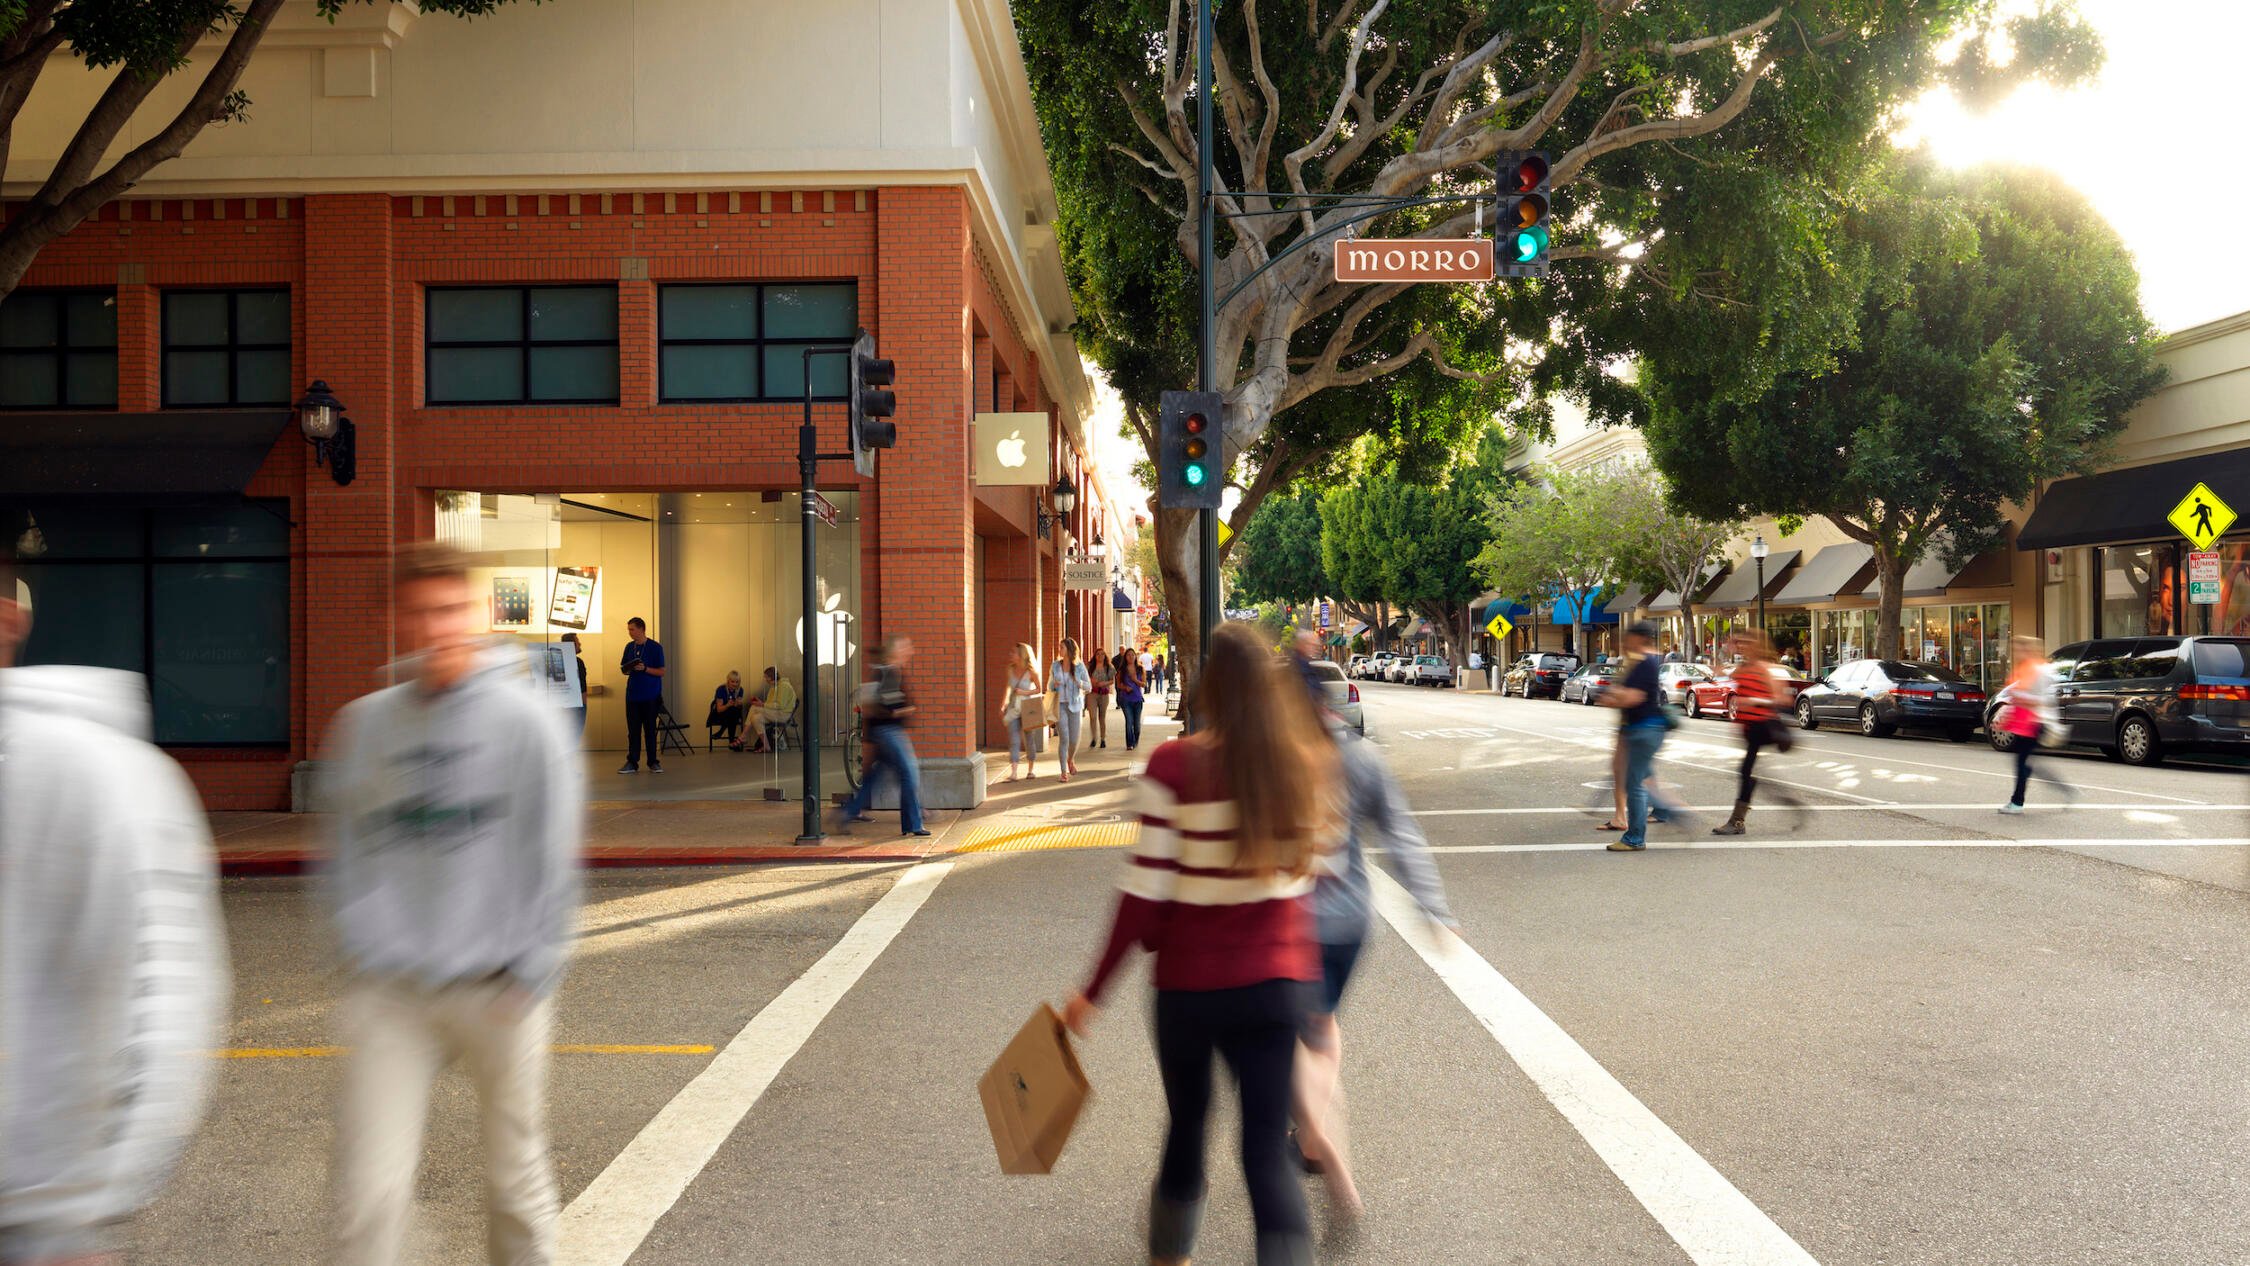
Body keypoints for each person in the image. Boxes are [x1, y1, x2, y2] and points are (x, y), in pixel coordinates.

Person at [325, 544, 584, 1266]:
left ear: (473, 613)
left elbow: (552, 854)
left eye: (449, 610)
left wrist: (533, 968)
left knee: (513, 1180)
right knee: (368, 1194)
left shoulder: (528, 723)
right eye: (419, 614)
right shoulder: (367, 726)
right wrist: (364, 946)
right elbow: (350, 848)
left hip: (500, 988)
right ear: (396, 621)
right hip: (395, 989)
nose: (436, 628)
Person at [1062, 621, 1340, 1266]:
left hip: (1189, 990)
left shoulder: (1174, 764)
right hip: (1277, 987)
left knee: (1188, 1126)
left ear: (1207, 687)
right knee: (1266, 1151)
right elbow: (1312, 882)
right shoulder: (1303, 764)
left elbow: (1143, 895)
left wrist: (1092, 992)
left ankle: (1171, 1257)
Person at [0, 532, 229, 1266]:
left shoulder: (101, 774)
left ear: (8, 620)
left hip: (41, 1211)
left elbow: (168, 990)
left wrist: (97, 1193)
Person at [1294, 717, 1453, 1222]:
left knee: (1290, 1038)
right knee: (1321, 1024)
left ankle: (1320, 1141)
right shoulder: (1360, 755)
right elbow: (1400, 830)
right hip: (1351, 922)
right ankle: (1309, 1130)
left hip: (1293, 921)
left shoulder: (1274, 751)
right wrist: (1433, 909)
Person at [832, 636, 930, 838]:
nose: (909, 651)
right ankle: (913, 824)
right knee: (909, 774)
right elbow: (888, 708)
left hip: (884, 733)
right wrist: (907, 709)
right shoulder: (889, 673)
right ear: (894, 652)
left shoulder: (890, 672)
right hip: (889, 732)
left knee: (873, 778)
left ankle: (847, 812)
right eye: (905, 647)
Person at [1602, 622, 1686, 851]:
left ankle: (1635, 837)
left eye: (1628, 637)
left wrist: (1613, 698)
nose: (1624, 642)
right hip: (1641, 729)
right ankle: (1666, 809)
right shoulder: (1644, 661)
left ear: (1639, 638)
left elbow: (1635, 697)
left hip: (1644, 728)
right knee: (1643, 776)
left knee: (1635, 783)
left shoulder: (1644, 663)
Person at [1711, 631, 1792, 836]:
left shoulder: (1764, 669)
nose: (1743, 646)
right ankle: (1744, 812)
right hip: (1749, 729)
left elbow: (1782, 700)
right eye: (1741, 643)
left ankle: (1737, 821)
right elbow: (1717, 673)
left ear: (1758, 646)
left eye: (1747, 643)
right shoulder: (1743, 668)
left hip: (1762, 726)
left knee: (1746, 770)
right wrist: (1724, 650)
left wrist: (1755, 701)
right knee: (1748, 771)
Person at [1993, 636, 2066, 815]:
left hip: (2037, 722)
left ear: (2030, 650)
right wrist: (2003, 711)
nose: (2016, 652)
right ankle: (2064, 791)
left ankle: (2017, 802)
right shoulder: (2025, 669)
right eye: (2015, 648)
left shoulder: (2040, 671)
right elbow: (2013, 693)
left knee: (2023, 762)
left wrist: (2022, 699)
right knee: (2025, 762)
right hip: (2026, 722)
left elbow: (2047, 700)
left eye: (2020, 648)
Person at [617, 616, 666, 774]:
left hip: (651, 695)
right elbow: (624, 668)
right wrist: (629, 668)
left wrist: (645, 669)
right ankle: (632, 762)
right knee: (633, 730)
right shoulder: (628, 647)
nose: (630, 633)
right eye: (629, 630)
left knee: (650, 729)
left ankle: (653, 762)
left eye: (632, 629)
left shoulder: (655, 647)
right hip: (632, 696)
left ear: (641, 629)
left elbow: (661, 671)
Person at [1002, 642, 1044, 782]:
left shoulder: (1031, 671)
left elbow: (1039, 689)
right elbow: (1009, 687)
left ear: (1022, 655)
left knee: (1029, 740)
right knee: (1014, 740)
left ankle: (1030, 770)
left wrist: (1024, 692)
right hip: (1014, 708)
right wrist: (1004, 703)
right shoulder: (1010, 669)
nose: (1011, 655)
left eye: (1014, 653)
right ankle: (1014, 772)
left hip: (1027, 708)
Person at [1050, 637, 1090, 782]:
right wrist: (1054, 684)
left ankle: (1070, 759)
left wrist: (1078, 682)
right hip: (1060, 705)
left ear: (1069, 649)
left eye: (1061, 647)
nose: (1059, 649)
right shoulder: (1055, 666)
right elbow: (1050, 686)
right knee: (1064, 738)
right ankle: (1063, 772)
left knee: (1073, 740)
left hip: (1075, 706)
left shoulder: (1079, 666)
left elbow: (1089, 686)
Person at [742, 667, 798, 754]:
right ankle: (766, 746)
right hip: (776, 713)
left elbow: (780, 705)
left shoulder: (783, 686)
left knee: (754, 708)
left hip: (783, 714)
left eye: (765, 677)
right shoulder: (774, 687)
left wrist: (762, 705)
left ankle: (743, 736)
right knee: (756, 718)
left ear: (770, 677)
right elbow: (770, 704)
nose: (764, 679)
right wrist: (761, 703)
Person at [1115, 643, 1148, 751]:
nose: (1131, 657)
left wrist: (1135, 680)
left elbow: (1144, 684)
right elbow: (1118, 684)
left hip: (1138, 699)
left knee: (1137, 724)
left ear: (1135, 657)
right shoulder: (1122, 670)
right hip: (1126, 700)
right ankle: (1129, 744)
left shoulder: (1140, 668)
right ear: (1125, 657)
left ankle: (1135, 740)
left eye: (1132, 655)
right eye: (1128, 655)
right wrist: (1125, 687)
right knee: (1129, 721)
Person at [709, 670, 748, 747]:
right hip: (721, 714)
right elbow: (719, 709)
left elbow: (738, 705)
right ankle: (731, 742)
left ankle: (721, 732)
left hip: (733, 714)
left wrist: (738, 703)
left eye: (737, 682)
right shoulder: (721, 689)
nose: (735, 684)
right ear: (728, 681)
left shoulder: (740, 690)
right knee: (732, 712)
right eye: (732, 682)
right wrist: (727, 705)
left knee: (734, 711)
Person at [1087, 648, 1116, 748]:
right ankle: (1094, 738)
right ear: (1095, 656)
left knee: (1102, 717)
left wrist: (1105, 683)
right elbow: (1084, 677)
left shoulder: (1109, 667)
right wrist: (1091, 680)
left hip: (1104, 694)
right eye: (1098, 654)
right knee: (1093, 716)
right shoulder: (1090, 666)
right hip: (1092, 694)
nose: (1100, 656)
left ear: (1105, 656)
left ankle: (1103, 739)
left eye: (1102, 654)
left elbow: (1112, 680)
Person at [560, 633, 588, 736]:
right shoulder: (578, 662)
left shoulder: (560, 661)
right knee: (575, 735)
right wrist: (584, 704)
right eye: (577, 641)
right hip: (577, 705)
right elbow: (582, 686)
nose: (579, 643)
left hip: (562, 704)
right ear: (572, 644)